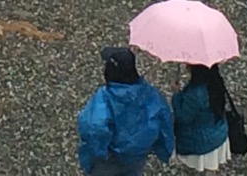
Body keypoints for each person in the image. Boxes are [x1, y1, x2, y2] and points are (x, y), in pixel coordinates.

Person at [78, 48, 175, 176]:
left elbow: (94, 127)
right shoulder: (151, 94)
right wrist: (165, 150)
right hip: (138, 155)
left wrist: (99, 152)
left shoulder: (105, 97)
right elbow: (165, 121)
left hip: (111, 158)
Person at [170, 63, 231, 171]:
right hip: (219, 133)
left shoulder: (195, 93)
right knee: (212, 167)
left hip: (201, 142)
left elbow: (182, 117)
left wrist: (176, 94)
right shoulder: (216, 81)